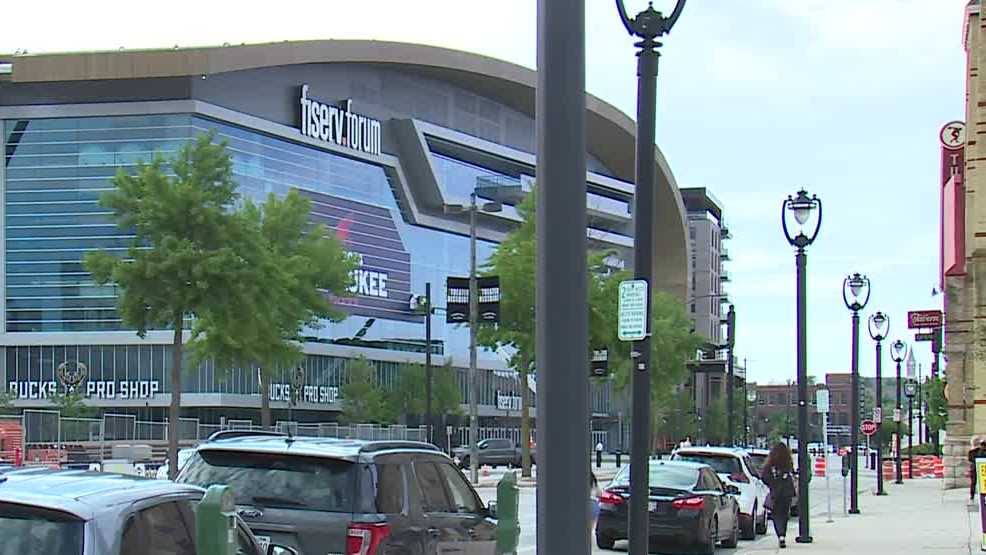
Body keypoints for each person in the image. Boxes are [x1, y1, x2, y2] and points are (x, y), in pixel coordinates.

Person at [760, 442, 796, 549]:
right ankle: (782, 535)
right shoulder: (787, 462)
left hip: (776, 493)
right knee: (784, 515)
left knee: (776, 515)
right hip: (786, 492)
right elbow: (791, 473)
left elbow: (764, 476)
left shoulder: (771, 464)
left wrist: (772, 484)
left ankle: (780, 534)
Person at [589, 472, 602, 545]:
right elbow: (600, 493)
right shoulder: (594, 481)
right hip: (594, 503)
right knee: (589, 529)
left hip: (587, 502)